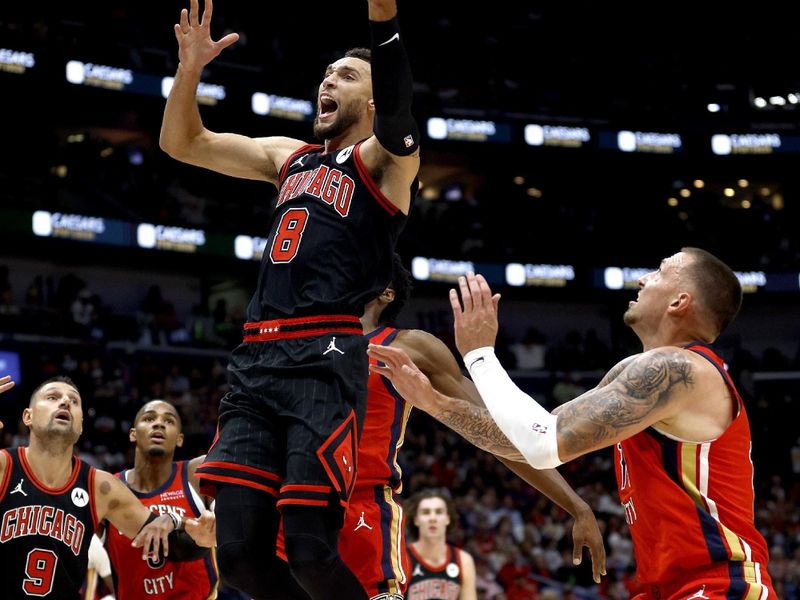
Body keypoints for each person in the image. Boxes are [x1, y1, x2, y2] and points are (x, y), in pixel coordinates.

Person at [160, 0, 420, 597]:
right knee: (242, 557)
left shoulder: (385, 164)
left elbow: (403, 113)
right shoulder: (288, 157)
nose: (328, 81)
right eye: (326, 75)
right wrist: (190, 69)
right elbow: (184, 142)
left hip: (324, 355)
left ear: (375, 103)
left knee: (307, 547)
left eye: (347, 75)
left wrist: (384, 25)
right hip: (255, 361)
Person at [369, 248, 778, 600]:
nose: (643, 280)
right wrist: (434, 402)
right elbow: (521, 442)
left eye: (659, 272)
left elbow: (541, 442)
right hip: (669, 586)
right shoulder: (638, 371)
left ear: (679, 301)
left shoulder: (677, 369)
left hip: (720, 584)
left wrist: (480, 356)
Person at [0, 375, 215, 600]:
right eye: (52, 397)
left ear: (81, 424)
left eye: (74, 401)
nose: (64, 402)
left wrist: (200, 537)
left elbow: (167, 543)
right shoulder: (4, 467)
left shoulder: (100, 487)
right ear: (28, 416)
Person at [103, 400, 218, 599]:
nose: (159, 424)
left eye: (169, 421)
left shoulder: (197, 473)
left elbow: (230, 531)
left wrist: (174, 520)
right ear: (133, 433)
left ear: (180, 439)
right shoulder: (109, 488)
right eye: (149, 419)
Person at [404, 489, 476, 600]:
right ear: (416, 520)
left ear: (448, 518)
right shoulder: (402, 559)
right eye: (426, 512)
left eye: (439, 512)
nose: (433, 518)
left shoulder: (464, 561)